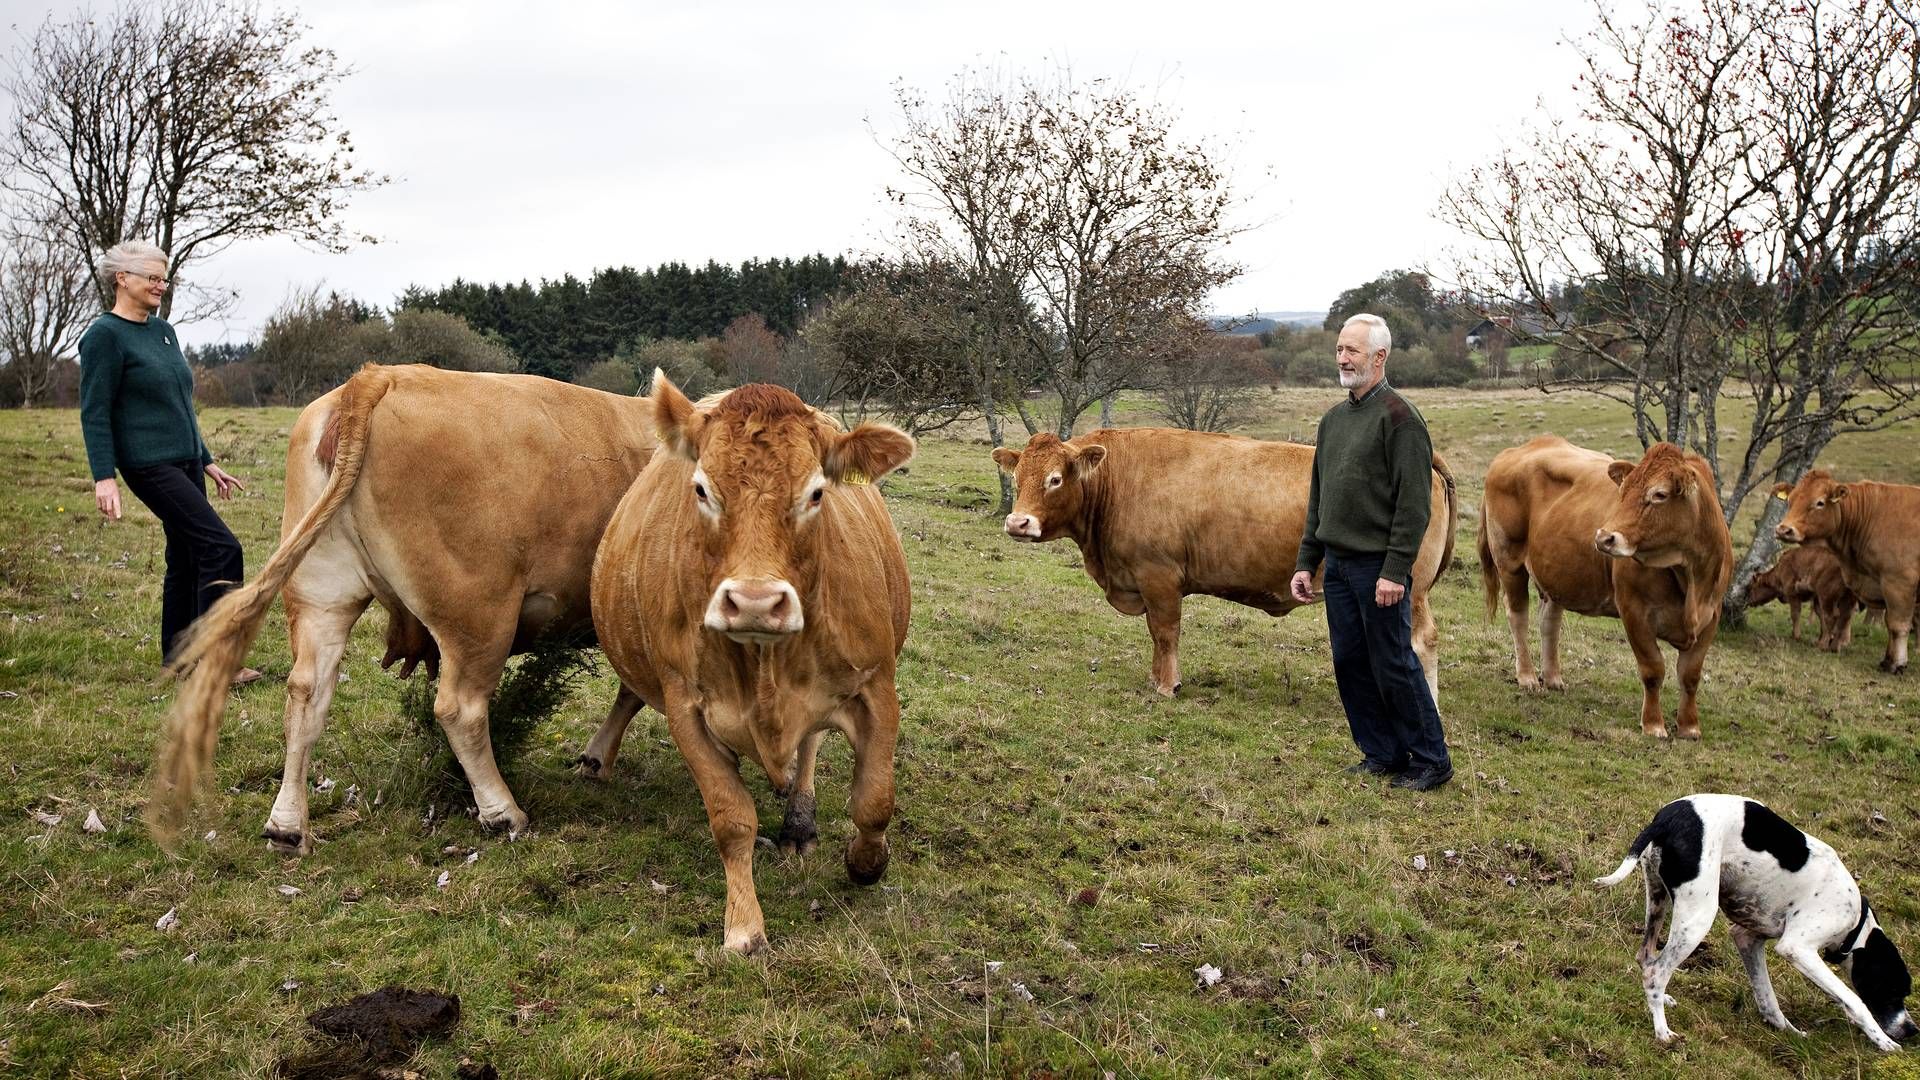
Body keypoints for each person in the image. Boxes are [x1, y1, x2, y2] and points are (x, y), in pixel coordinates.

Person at [80, 241, 261, 685]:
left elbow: (179, 403)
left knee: (185, 556)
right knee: (221, 548)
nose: (160, 285)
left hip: (183, 460)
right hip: (147, 463)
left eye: (164, 278)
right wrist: (104, 476)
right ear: (122, 279)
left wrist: (206, 460)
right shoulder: (104, 336)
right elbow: (95, 410)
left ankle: (177, 659)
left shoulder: (163, 332)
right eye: (152, 277)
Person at [1288, 313, 1451, 790]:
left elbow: (1413, 506)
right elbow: (1320, 499)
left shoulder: (1401, 420)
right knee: (1350, 661)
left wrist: (1395, 570)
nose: (1342, 358)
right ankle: (1381, 752)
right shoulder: (1333, 421)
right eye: (1339, 349)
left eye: (1352, 351)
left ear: (1379, 357)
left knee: (1394, 661)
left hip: (1378, 568)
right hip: (1337, 566)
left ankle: (1430, 759)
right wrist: (1306, 562)